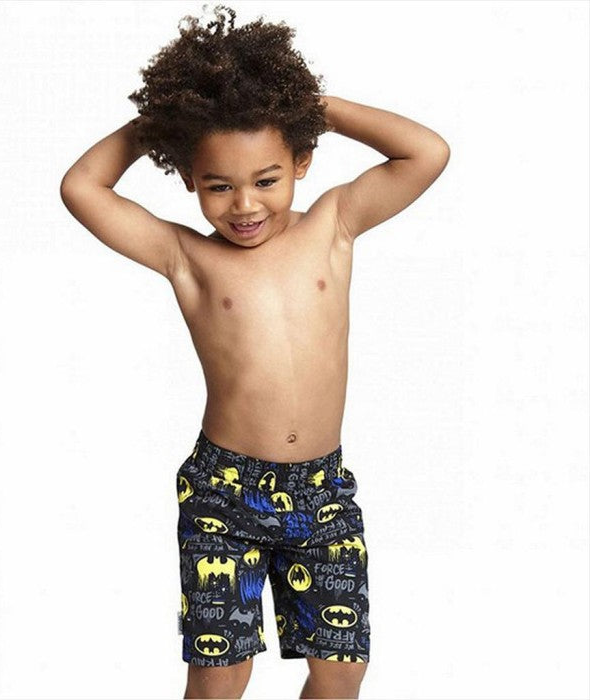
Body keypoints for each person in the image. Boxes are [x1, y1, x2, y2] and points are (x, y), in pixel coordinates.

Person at [59, 5, 449, 698]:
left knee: (341, 672)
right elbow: (81, 188)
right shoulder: (187, 257)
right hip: (224, 492)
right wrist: (164, 123)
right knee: (220, 677)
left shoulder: (334, 223)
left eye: (267, 180)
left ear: (302, 160)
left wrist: (307, 107)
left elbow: (427, 152)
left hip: (323, 491)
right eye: (219, 185)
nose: (244, 205)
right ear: (190, 178)